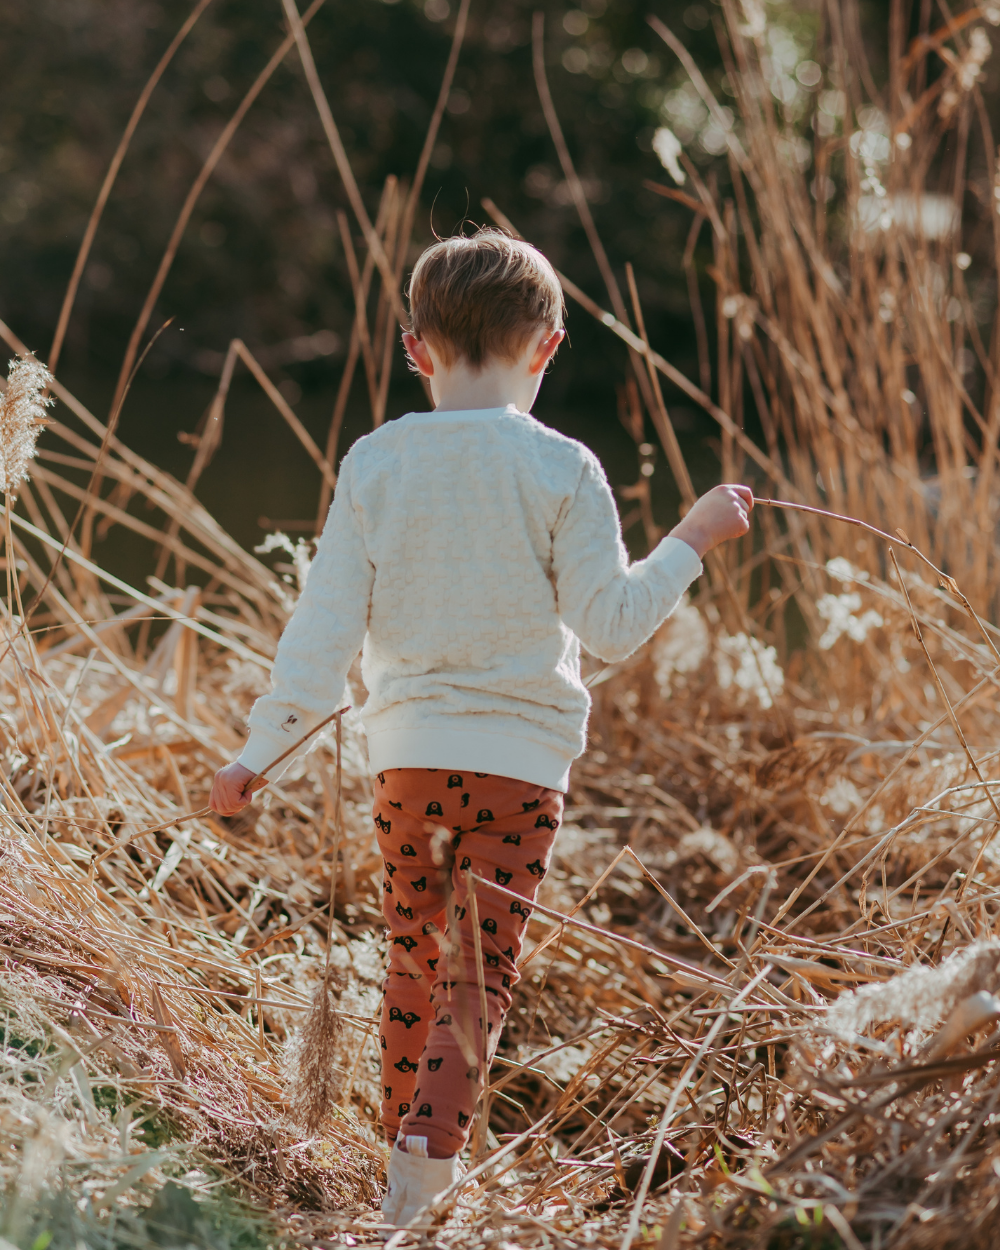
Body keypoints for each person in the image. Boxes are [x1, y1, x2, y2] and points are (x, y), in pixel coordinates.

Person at [210, 229, 753, 1228]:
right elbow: (611, 627)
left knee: (415, 963)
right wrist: (691, 537)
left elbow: (323, 627)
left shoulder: (376, 461)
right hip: (519, 770)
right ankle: (419, 1184)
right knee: (475, 978)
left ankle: (399, 1163)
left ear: (414, 348)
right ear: (548, 347)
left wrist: (260, 751)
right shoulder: (563, 467)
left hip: (408, 765)